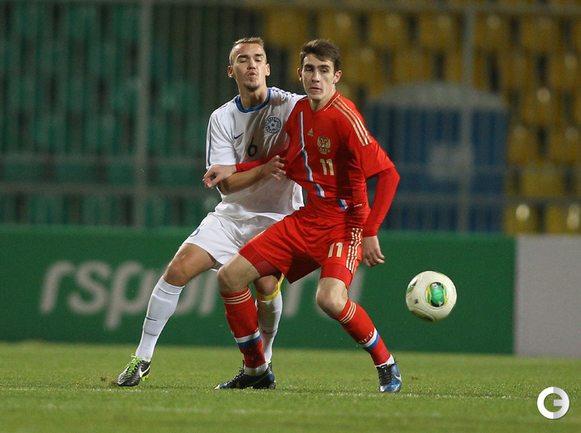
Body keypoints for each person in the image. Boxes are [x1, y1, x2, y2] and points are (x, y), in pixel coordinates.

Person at [203, 39, 401, 393]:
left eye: (324, 70)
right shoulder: (298, 113)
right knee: (230, 277)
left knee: (330, 300)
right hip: (307, 219)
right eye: (310, 69)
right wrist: (233, 169)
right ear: (300, 73)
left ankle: (385, 363)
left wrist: (370, 230)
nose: (316, 77)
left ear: (336, 76)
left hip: (345, 226)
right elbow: (287, 161)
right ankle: (255, 369)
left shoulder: (345, 117)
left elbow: (388, 174)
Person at [116, 37, 304, 387]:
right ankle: (141, 358)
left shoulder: (291, 106)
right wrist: (264, 169)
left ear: (267, 68)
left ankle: (264, 360)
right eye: (243, 59)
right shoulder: (222, 117)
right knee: (177, 270)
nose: (251, 64)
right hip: (232, 215)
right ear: (231, 71)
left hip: (279, 217)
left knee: (265, 285)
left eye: (258, 58)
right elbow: (227, 185)